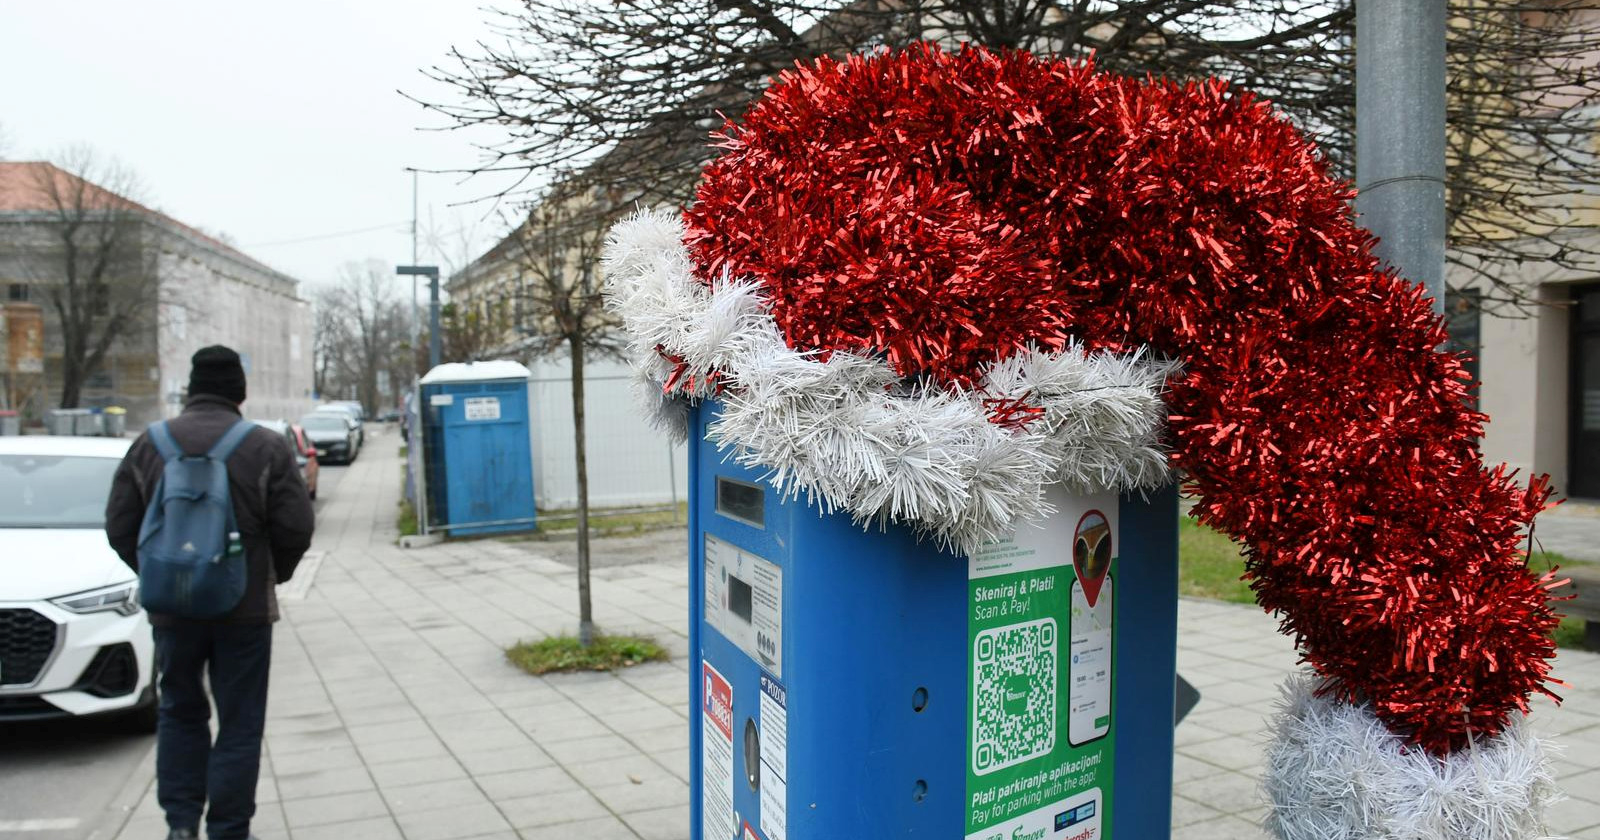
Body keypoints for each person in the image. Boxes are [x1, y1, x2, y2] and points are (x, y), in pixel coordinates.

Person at [106, 345, 315, 840]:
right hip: (243, 613)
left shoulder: (150, 444)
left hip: (173, 614)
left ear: (191, 390)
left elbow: (119, 526)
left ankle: (180, 825)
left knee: (179, 712)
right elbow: (296, 527)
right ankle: (228, 828)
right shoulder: (264, 447)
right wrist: (270, 574)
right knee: (240, 724)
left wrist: (162, 573)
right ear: (239, 391)